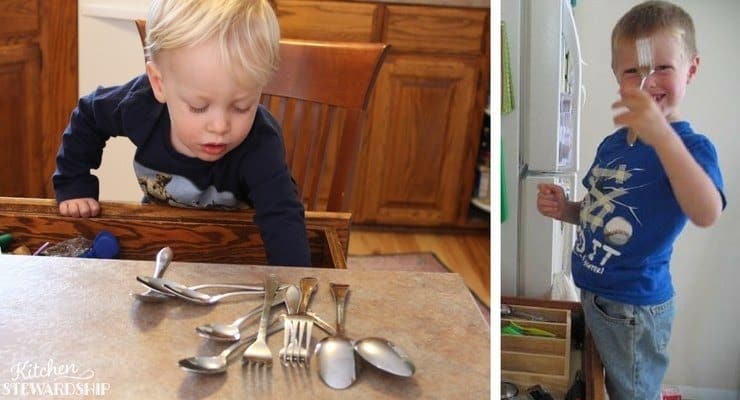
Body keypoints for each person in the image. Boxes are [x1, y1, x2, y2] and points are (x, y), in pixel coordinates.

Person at [537, 1, 726, 399]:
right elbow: (597, 210)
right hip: (595, 294)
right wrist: (567, 209)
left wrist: (661, 135)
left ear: (691, 69)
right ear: (616, 78)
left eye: (661, 67)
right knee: (608, 380)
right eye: (633, 71)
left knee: (635, 392)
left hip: (633, 310)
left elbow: (706, 211)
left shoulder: (691, 147)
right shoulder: (613, 144)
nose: (647, 81)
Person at [52, 0, 311, 267]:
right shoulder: (139, 106)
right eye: (199, 107)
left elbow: (283, 220)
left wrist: (293, 289)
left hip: (235, 252)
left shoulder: (260, 144)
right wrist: (73, 184)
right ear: (158, 83)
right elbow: (89, 116)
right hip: (158, 239)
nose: (220, 126)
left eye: (241, 107)